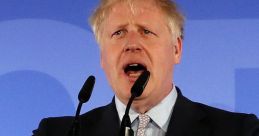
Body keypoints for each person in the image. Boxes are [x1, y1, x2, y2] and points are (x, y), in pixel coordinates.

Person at [33, 0, 259, 135]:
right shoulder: (56, 133)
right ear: (103, 56)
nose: (131, 44)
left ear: (176, 49)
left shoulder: (239, 131)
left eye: (146, 31)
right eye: (118, 33)